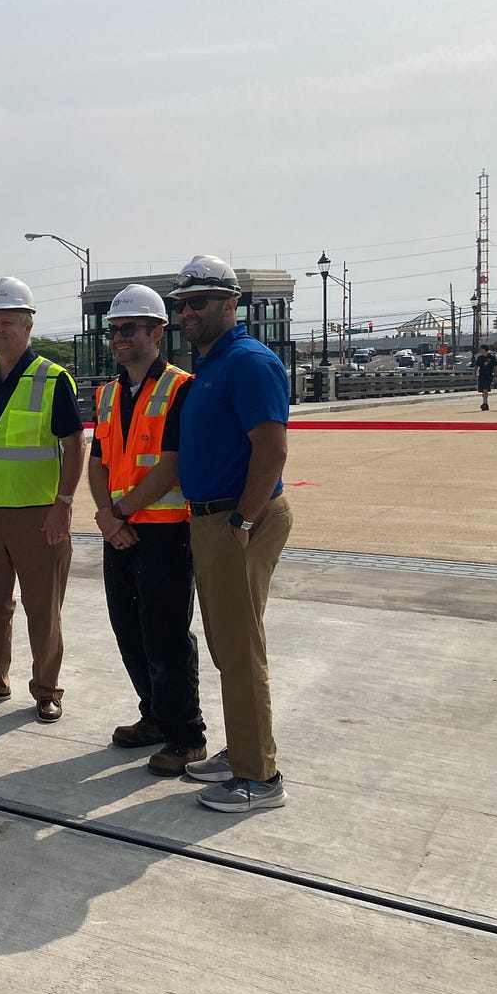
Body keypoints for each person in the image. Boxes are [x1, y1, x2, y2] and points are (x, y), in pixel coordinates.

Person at [169, 254, 294, 813]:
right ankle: (242, 750)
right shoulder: (212, 365)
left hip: (238, 520)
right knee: (227, 645)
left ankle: (259, 778)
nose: (188, 313)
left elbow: (271, 448)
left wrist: (243, 520)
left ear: (231, 303)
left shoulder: (248, 362)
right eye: (182, 304)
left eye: (199, 302)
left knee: (241, 650)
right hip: (214, 520)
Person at [87, 285, 205, 776]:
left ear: (158, 332)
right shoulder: (108, 394)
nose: (118, 337)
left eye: (129, 328)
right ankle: (154, 716)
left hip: (165, 533)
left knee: (166, 635)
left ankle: (187, 735)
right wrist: (106, 516)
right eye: (113, 330)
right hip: (119, 532)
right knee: (129, 630)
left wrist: (119, 513)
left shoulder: (181, 389)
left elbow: (172, 466)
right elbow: (98, 462)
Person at [0, 277, 85, 723]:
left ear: (28, 326)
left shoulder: (53, 378)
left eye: (7, 322)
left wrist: (63, 504)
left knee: (43, 609)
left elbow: (74, 444)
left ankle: (47, 689)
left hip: (39, 513)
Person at [474, 344, 497, 411]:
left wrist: (496, 375)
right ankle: (484, 402)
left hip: (488, 375)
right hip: (481, 375)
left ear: (484, 349)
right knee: (482, 390)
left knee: (485, 389)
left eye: (480, 349)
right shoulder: (480, 358)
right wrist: (474, 374)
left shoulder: (492, 358)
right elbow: (476, 366)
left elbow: (495, 367)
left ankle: (485, 403)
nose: (480, 350)